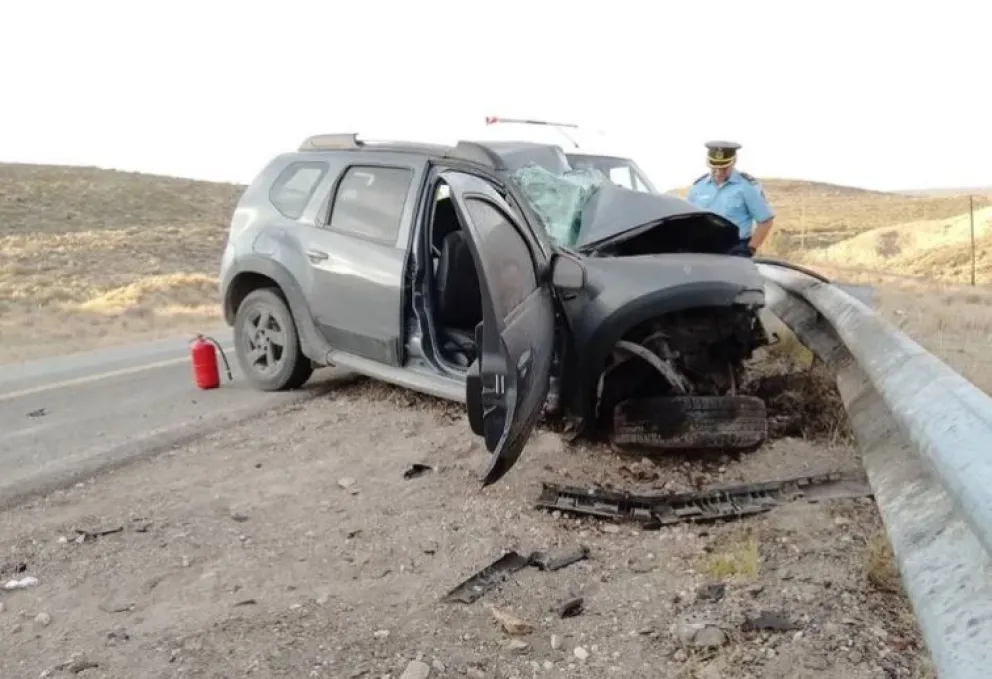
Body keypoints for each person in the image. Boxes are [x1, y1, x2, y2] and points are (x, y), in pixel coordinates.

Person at [686, 141, 775, 257]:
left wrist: (750, 249)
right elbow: (689, 220)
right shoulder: (699, 187)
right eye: (714, 168)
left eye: (724, 168)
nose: (718, 173)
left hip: (735, 249)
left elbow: (766, 221)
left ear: (733, 162)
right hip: (702, 249)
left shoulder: (747, 186)